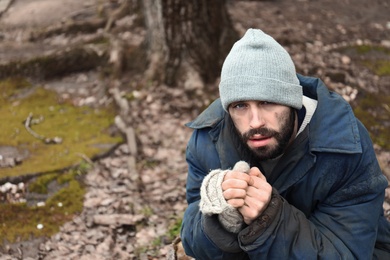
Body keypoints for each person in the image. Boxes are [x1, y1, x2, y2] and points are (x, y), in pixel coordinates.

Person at [180, 28, 390, 259]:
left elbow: (346, 252)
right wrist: (216, 218)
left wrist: (269, 219)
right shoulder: (208, 140)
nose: (255, 122)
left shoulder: (345, 147)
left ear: (292, 101)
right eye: (240, 106)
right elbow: (193, 243)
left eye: (268, 102)